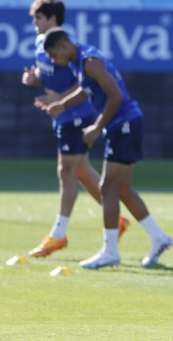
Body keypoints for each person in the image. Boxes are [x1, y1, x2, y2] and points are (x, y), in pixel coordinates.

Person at [40, 28, 173, 269]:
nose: (52, 60)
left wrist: (96, 127)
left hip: (123, 124)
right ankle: (159, 237)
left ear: (63, 46)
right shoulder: (81, 61)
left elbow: (116, 97)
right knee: (122, 188)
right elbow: (87, 89)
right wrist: (63, 103)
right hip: (126, 124)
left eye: (52, 54)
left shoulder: (89, 62)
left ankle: (110, 251)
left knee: (108, 186)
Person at [22, 0, 129, 258]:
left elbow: (84, 81)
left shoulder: (67, 45)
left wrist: (60, 100)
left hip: (77, 115)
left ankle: (58, 235)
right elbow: (48, 77)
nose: (34, 23)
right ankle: (116, 220)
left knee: (66, 170)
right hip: (62, 115)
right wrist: (34, 80)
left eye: (37, 18)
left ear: (51, 19)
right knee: (80, 171)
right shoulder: (42, 45)